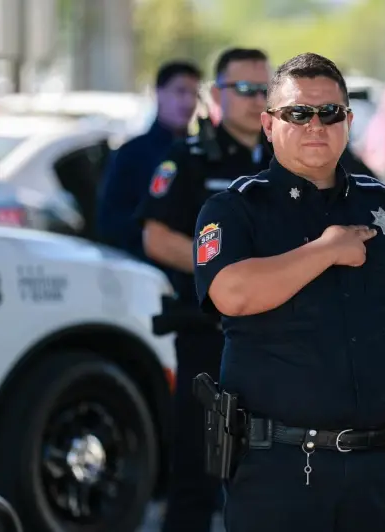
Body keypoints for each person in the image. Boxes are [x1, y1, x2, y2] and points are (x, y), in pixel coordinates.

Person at [192, 52, 385, 532]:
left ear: (349, 121)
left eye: (329, 112)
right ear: (269, 125)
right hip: (276, 466)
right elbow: (233, 293)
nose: (315, 123)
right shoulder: (236, 209)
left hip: (373, 464)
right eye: (298, 113)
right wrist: (327, 249)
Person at [135, 47, 271, 532]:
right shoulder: (188, 158)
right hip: (208, 337)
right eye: (244, 89)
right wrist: (228, 275)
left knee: (271, 477)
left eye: (264, 89)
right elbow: (156, 237)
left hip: (279, 340)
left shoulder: (292, 156)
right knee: (198, 470)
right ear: (216, 94)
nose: (257, 100)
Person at [96, 60, 201, 259]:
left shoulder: (200, 150)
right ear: (159, 93)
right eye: (180, 91)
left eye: (194, 94)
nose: (188, 102)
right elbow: (110, 221)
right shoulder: (133, 152)